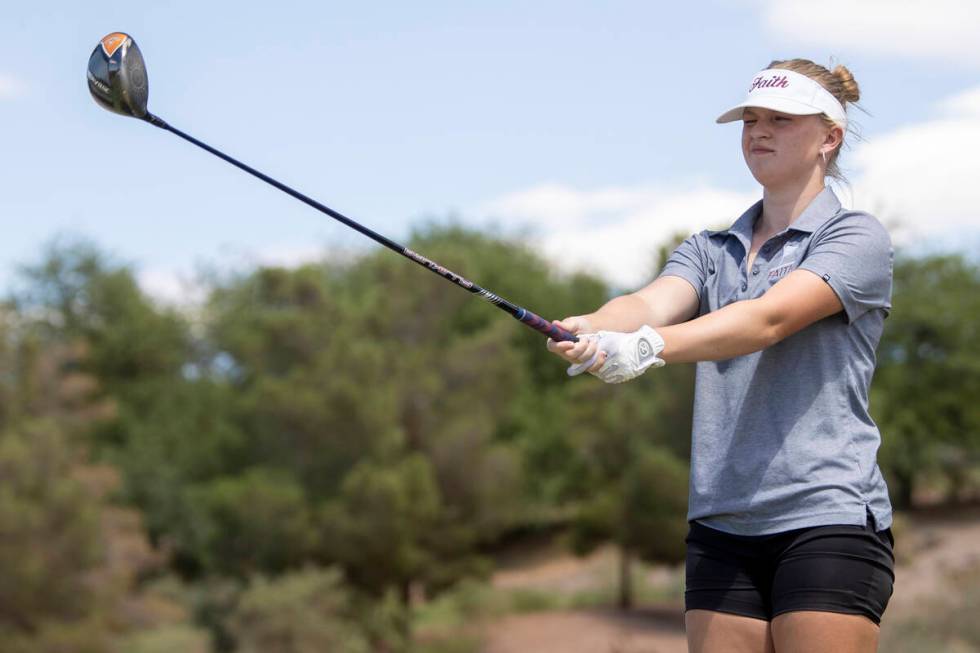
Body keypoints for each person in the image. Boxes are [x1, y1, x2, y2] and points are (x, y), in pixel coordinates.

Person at [547, 59, 895, 653]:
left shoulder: (855, 238)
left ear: (829, 137)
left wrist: (648, 348)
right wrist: (592, 327)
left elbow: (767, 320)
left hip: (825, 514)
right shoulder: (710, 248)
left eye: (781, 120)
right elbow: (649, 304)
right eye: (750, 120)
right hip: (721, 524)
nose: (759, 131)